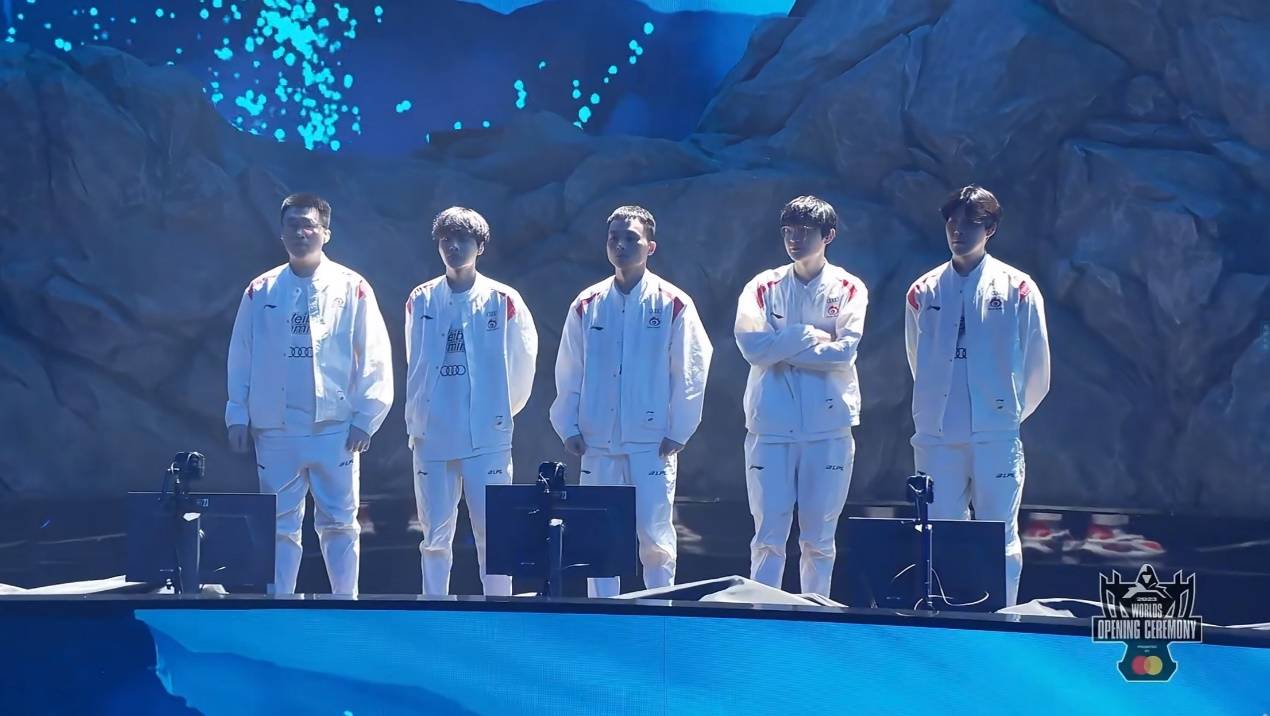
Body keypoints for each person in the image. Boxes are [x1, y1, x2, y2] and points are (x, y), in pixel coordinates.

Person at [226, 192, 393, 596]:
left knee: (340, 522)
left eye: (309, 225)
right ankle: (280, 606)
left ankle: (345, 604)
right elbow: (241, 353)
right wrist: (237, 413)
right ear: (281, 232)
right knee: (279, 524)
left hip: (334, 428)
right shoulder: (260, 290)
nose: (301, 232)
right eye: (293, 225)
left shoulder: (352, 287)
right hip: (275, 428)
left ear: (325, 232)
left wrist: (367, 417)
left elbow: (373, 353)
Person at [550, 205, 713, 597]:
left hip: (651, 442)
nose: (621, 245)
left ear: (650, 246)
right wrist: (568, 425)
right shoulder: (587, 303)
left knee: (655, 538)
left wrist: (679, 429)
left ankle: (660, 614)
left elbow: (691, 367)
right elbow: (569, 368)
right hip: (598, 440)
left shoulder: (673, 303)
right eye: (614, 238)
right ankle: (603, 617)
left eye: (631, 238)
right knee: (598, 537)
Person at [905, 184, 1050, 606]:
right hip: (937, 435)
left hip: (997, 433)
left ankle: (1003, 617)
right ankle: (948, 618)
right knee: (939, 532)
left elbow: (1037, 366)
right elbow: (917, 359)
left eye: (971, 223)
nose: (959, 230)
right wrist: (936, 409)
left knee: (999, 533)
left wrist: (1005, 415)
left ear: (991, 229)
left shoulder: (1018, 287)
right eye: (952, 222)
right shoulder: (922, 290)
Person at [733, 195, 868, 597]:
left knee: (819, 539)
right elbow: (751, 347)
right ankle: (762, 616)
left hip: (828, 426)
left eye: (805, 231)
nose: (794, 238)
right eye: (788, 230)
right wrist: (806, 336)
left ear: (829, 236)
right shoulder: (763, 286)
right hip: (770, 425)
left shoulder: (849, 287)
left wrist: (780, 345)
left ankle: (815, 615)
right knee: (768, 535)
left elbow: (844, 351)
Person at [404, 207, 538, 596]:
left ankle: (499, 612)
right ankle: (434, 609)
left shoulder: (503, 299)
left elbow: (523, 363)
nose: (453, 246)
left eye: (463, 239)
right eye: (446, 239)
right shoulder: (420, 299)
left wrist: (496, 413)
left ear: (480, 246)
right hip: (432, 435)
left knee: (495, 535)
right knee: (433, 536)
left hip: (487, 438)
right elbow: (416, 361)